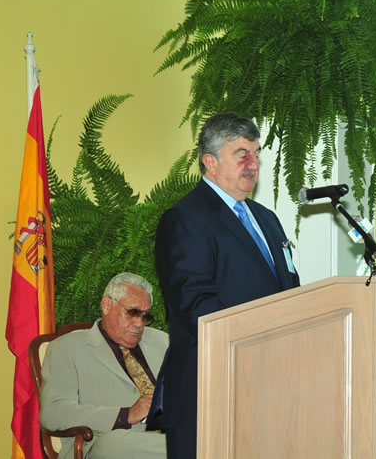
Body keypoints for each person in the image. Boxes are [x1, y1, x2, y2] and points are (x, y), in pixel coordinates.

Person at [154, 112, 300, 459]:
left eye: (256, 153)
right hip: (210, 388)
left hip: (269, 386)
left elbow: (290, 289)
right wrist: (258, 341)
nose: (253, 164)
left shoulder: (267, 219)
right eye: (241, 155)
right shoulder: (184, 219)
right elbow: (196, 305)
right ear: (210, 162)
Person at [39, 272, 168, 459]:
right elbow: (53, 413)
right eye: (132, 312)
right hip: (108, 445)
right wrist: (126, 414)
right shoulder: (66, 348)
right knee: (112, 445)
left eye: (145, 316)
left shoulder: (163, 342)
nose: (139, 324)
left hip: (166, 436)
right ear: (107, 305)